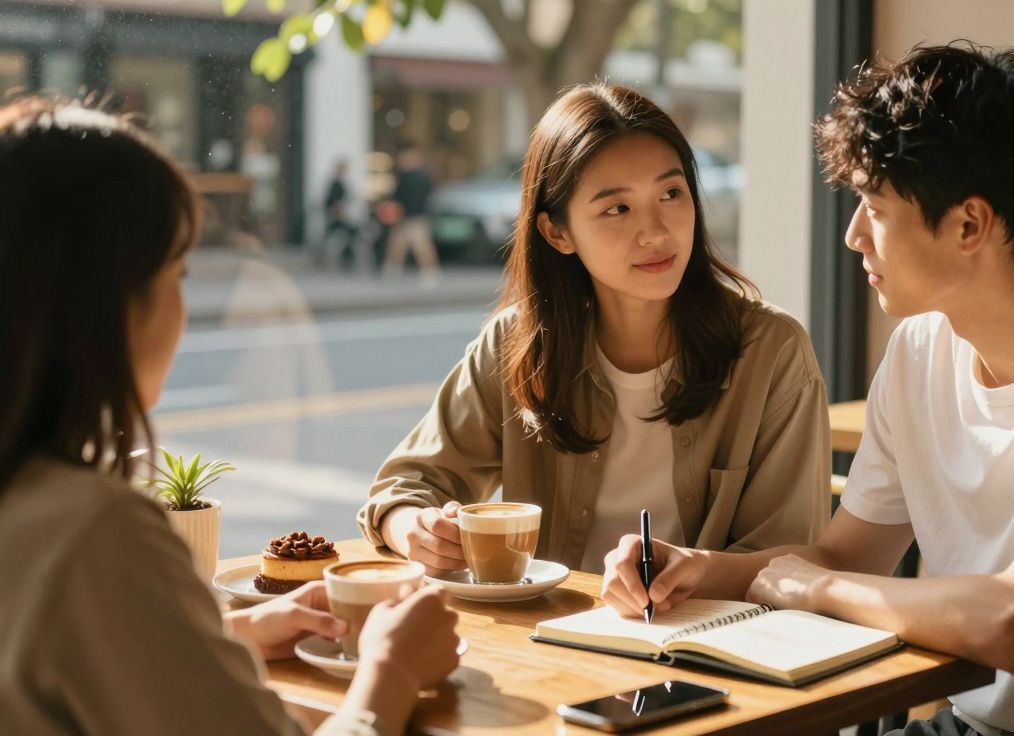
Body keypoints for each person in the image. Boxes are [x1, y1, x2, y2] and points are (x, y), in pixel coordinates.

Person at [602, 44, 1014, 735]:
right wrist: (699, 569)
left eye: (875, 208)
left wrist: (816, 588)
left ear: (969, 225)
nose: (855, 236)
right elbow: (844, 557)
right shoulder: (920, 350)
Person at [0, 97, 461, 736]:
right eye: (177, 272)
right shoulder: (92, 532)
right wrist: (393, 670)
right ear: (104, 304)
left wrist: (227, 633)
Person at [359, 83, 830, 576]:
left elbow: (791, 554)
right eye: (617, 209)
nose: (656, 232)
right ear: (557, 233)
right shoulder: (517, 345)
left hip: (710, 640)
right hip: (550, 639)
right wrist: (417, 529)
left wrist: (683, 577)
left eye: (672, 193)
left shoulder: (772, 351)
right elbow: (403, 488)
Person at [381, 143, 440, 280]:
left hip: (414, 217)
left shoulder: (414, 178)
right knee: (399, 244)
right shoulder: (415, 177)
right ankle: (393, 270)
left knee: (419, 245)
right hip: (409, 217)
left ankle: (429, 273)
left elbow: (400, 197)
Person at [316, 159, 359, 270]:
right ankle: (344, 258)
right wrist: (337, 212)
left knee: (342, 235)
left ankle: (345, 258)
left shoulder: (342, 182)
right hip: (337, 215)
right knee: (342, 235)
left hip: (340, 214)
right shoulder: (336, 183)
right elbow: (333, 201)